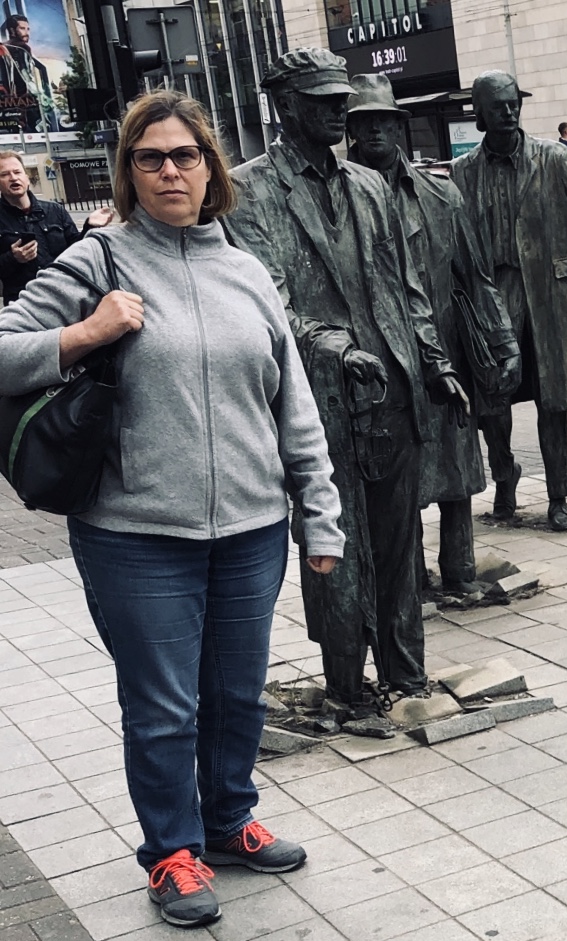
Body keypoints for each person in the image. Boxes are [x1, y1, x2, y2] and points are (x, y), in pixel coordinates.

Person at [0, 91, 344, 929]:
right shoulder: (98, 261)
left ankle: (228, 822)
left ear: (209, 168)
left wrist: (319, 511)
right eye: (149, 158)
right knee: (163, 708)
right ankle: (172, 852)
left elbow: (291, 401)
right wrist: (83, 334)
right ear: (129, 171)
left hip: (252, 529)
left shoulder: (247, 271)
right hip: (136, 535)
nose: (169, 171)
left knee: (238, 695)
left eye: (184, 155)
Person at [226, 49, 468, 733]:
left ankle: (405, 672)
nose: (340, 110)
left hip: (391, 389)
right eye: (323, 101)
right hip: (319, 402)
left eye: (341, 99)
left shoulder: (369, 185)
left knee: (398, 541)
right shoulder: (249, 192)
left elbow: (408, 290)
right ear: (286, 105)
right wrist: (334, 349)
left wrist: (434, 363)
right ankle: (345, 681)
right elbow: (269, 303)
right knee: (333, 544)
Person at [346, 73, 521, 598]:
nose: (374, 131)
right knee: (397, 478)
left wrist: (504, 341)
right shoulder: (340, 201)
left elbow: (477, 277)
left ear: (399, 126)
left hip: (447, 353)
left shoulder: (442, 195)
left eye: (383, 120)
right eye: (363, 122)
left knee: (455, 467)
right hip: (379, 362)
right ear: (351, 130)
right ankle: (409, 579)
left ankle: (460, 568)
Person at [452, 70, 567, 532]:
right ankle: (505, 476)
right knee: (491, 402)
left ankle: (559, 496)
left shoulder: (555, 159)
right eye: (497, 106)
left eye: (513, 104)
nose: (508, 112)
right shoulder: (463, 172)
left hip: (548, 294)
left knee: (550, 400)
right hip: (492, 295)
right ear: (479, 115)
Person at [0, 149, 113, 304]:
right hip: (23, 301)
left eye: (17, 172)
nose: (13, 178)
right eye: (4, 174)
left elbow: (76, 251)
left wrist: (90, 226)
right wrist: (13, 258)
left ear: (26, 178)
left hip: (64, 295)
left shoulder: (54, 210)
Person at [2, 12, 58, 133]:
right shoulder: (22, 47)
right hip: (22, 97)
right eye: (22, 28)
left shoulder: (4, 47)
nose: (27, 32)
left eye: (28, 29)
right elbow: (26, 75)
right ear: (12, 30)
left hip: (9, 100)